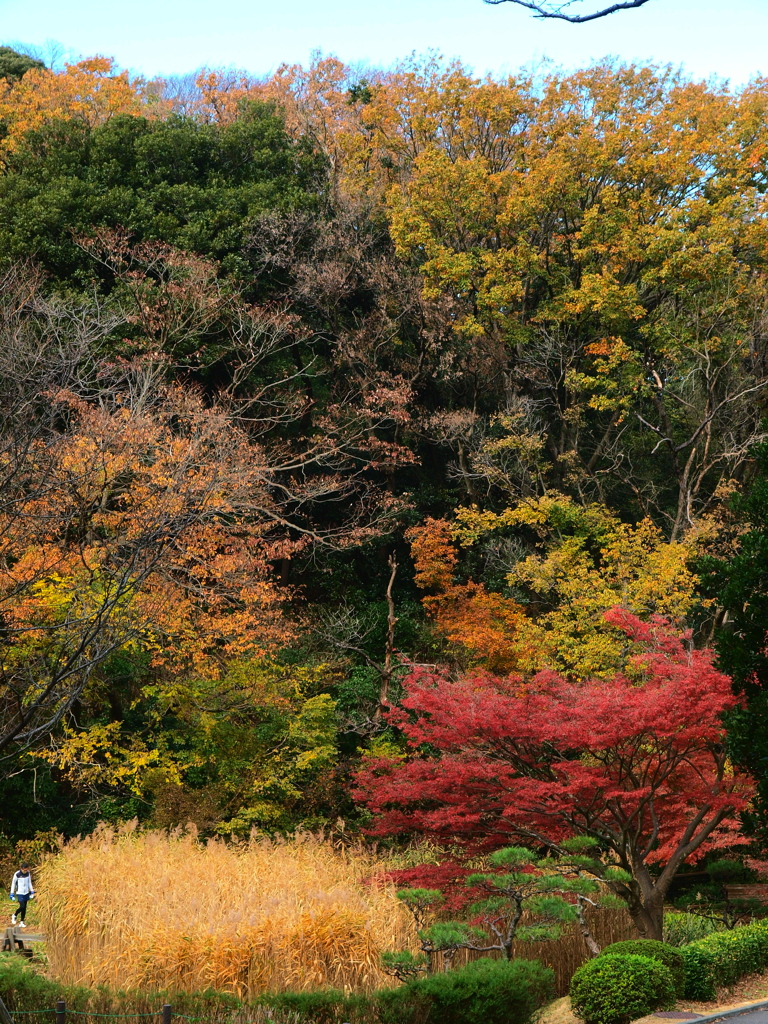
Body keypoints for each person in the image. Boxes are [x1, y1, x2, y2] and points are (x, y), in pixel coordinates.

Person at [10, 862, 35, 928]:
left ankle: (22, 922)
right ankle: (14, 915)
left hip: (26, 892)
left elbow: (29, 882)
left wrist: (32, 891)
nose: (25, 871)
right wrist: (12, 893)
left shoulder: (28, 873)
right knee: (22, 906)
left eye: (26, 870)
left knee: (24, 908)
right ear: (21, 869)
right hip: (20, 892)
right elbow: (13, 883)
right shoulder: (17, 874)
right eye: (24, 870)